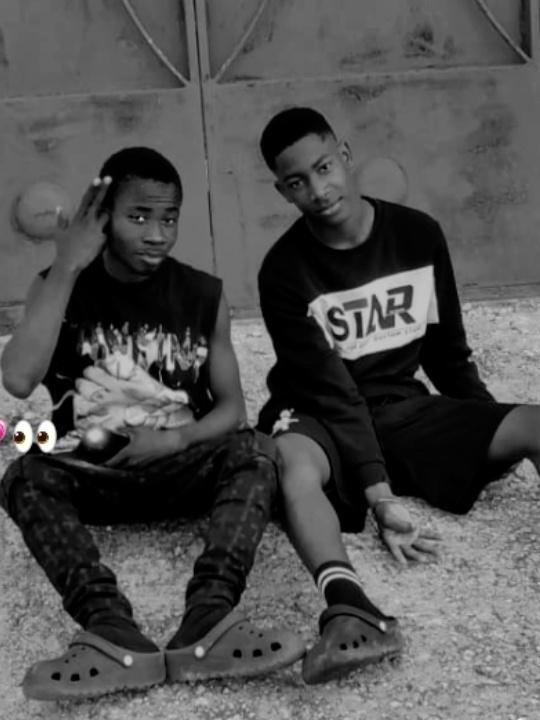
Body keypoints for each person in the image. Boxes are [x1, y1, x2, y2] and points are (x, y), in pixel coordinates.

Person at [0, 147, 305, 701]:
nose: (157, 234)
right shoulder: (60, 283)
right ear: (103, 219)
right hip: (95, 471)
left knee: (257, 451)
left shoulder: (202, 294)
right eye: (138, 217)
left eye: (169, 218)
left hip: (180, 466)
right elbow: (18, 379)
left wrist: (174, 439)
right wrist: (68, 266)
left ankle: (208, 622)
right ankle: (111, 632)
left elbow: (231, 410)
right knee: (24, 476)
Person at [256, 107, 540, 684]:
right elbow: (334, 393)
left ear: (345, 155)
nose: (318, 190)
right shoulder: (283, 270)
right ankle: (350, 610)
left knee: (536, 424)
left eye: (324, 168)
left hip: (399, 411)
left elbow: (448, 353)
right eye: (298, 182)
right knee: (289, 462)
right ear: (282, 191)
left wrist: (484, 427)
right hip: (319, 415)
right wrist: (380, 495)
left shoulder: (417, 235)